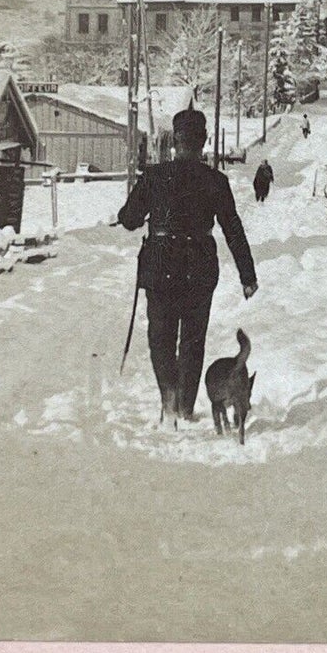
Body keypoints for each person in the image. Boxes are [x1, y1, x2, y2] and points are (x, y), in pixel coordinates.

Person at [118, 108, 257, 423]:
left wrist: (126, 215)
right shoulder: (215, 181)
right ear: (204, 142)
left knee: (161, 337)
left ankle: (168, 397)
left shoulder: (153, 177)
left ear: (174, 142)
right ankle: (185, 405)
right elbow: (233, 229)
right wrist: (247, 276)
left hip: (161, 265)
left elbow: (129, 220)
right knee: (193, 341)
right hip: (199, 267)